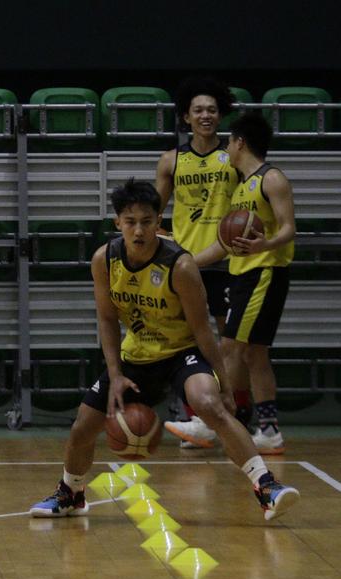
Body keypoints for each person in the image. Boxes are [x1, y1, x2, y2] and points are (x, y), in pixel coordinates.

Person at [28, 178, 297, 521]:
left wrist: (226, 385)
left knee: (209, 405)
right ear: (117, 223)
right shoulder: (104, 260)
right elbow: (108, 322)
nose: (138, 230)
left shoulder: (179, 265)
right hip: (135, 357)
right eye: (130, 222)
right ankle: (71, 494)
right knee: (83, 427)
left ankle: (267, 488)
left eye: (146, 221)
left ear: (159, 222)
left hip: (180, 353)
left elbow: (202, 330)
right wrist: (115, 375)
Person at [188, 112, 296, 455]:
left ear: (240, 142)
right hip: (243, 274)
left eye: (229, 142)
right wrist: (186, 262)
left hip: (263, 272)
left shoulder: (272, 178)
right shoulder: (240, 189)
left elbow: (288, 228)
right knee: (254, 354)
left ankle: (210, 419)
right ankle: (269, 430)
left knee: (230, 348)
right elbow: (224, 244)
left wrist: (265, 245)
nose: (227, 149)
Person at [154, 77, 251, 448]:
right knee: (187, 342)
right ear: (186, 117)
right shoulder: (172, 160)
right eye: (199, 110)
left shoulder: (235, 157)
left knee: (231, 346)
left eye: (211, 109)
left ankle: (235, 414)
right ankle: (193, 416)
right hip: (185, 266)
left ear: (220, 114)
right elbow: (153, 212)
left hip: (227, 264)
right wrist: (166, 243)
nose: (206, 115)